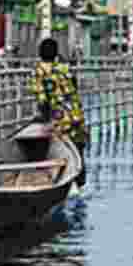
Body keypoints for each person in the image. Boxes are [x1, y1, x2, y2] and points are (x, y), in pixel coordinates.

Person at [28, 37, 89, 188]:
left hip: (60, 119)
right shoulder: (64, 67)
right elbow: (74, 87)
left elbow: (42, 100)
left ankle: (62, 184)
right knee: (78, 150)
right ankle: (80, 182)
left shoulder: (39, 71)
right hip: (76, 115)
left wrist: (45, 120)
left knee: (58, 151)